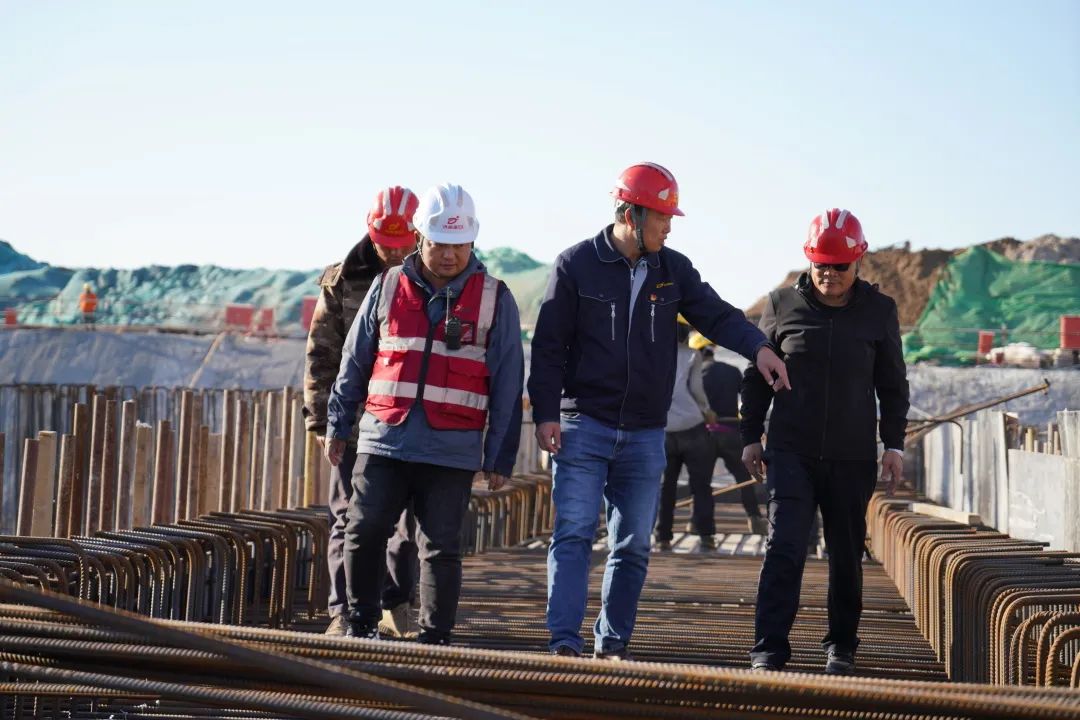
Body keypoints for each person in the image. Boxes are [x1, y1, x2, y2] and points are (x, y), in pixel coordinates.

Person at [529, 162, 790, 659]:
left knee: (633, 544)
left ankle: (612, 644)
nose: (669, 227)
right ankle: (564, 642)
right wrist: (546, 413)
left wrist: (758, 348)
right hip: (583, 425)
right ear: (631, 214)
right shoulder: (576, 265)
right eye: (663, 217)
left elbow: (717, 315)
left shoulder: (673, 270)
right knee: (574, 533)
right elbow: (548, 346)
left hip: (645, 434)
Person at [325, 183, 524, 645]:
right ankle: (361, 625)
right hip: (385, 440)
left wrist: (500, 455)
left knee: (440, 548)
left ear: (472, 241)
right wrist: (338, 423)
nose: (450, 255)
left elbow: (508, 382)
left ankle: (435, 638)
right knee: (364, 530)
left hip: (450, 449)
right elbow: (354, 361)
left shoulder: (495, 298)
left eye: (459, 244)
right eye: (439, 244)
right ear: (420, 238)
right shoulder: (387, 286)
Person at [740, 208, 909, 675]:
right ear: (808, 260)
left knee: (846, 555)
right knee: (784, 547)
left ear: (859, 261)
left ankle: (842, 646)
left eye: (839, 266)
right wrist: (750, 435)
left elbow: (893, 384)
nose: (829, 274)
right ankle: (769, 648)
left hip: (851, 457)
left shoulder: (879, 311)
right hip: (791, 451)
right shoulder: (781, 305)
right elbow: (756, 375)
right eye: (820, 265)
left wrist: (893, 445)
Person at [303, 185, 420, 638]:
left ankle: (396, 601)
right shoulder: (342, 281)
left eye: (402, 244)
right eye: (386, 244)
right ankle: (344, 612)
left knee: (408, 522)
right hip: (353, 423)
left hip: (412, 421)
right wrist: (321, 421)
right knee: (348, 518)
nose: (394, 253)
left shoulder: (439, 277)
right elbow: (321, 356)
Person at [690, 331, 769, 536]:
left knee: (701, 483)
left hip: (705, 436)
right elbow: (747, 400)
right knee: (744, 479)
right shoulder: (732, 371)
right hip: (731, 432)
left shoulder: (695, 375)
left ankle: (700, 526)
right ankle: (755, 519)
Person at [654, 317, 719, 552]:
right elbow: (696, 390)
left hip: (663, 427)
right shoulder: (693, 355)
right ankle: (706, 535)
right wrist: (707, 411)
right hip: (692, 426)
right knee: (701, 486)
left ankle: (663, 537)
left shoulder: (652, 354)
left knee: (666, 486)